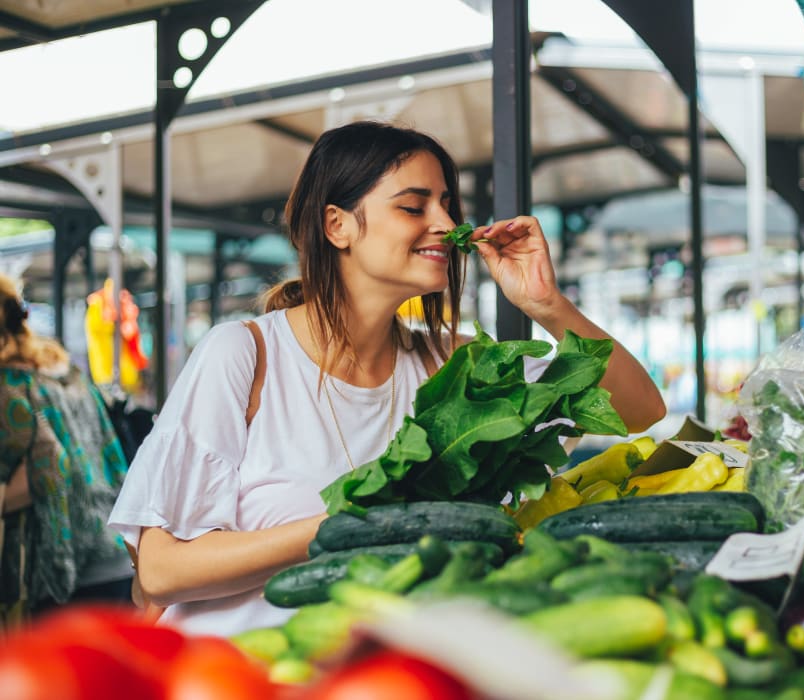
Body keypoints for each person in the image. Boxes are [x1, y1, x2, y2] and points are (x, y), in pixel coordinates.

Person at [109, 120, 666, 636]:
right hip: (229, 678)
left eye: (446, 204)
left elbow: (640, 408)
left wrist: (544, 302)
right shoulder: (244, 354)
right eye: (413, 206)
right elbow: (160, 572)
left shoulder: (451, 368)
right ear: (338, 225)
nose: (446, 225)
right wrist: (350, 522)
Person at [0, 274, 133, 627]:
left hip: (62, 576)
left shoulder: (9, 383)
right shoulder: (62, 369)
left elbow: (44, 470)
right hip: (117, 554)